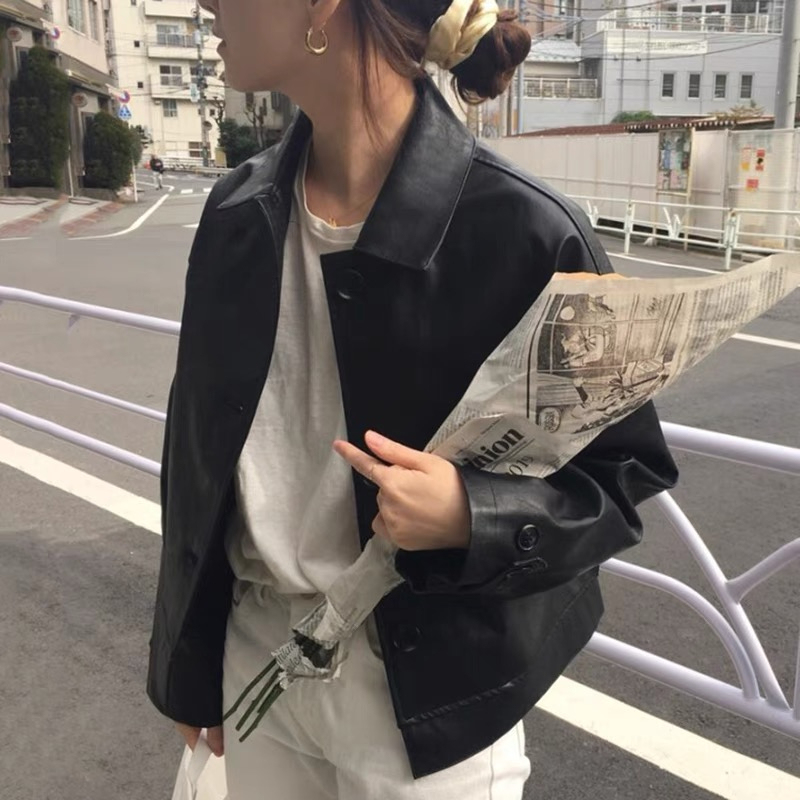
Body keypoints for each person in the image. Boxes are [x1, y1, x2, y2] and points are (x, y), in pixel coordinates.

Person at [147, 0, 679, 798]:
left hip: (428, 691)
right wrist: (186, 664)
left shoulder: (525, 229)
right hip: (256, 655)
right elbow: (195, 458)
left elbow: (621, 475)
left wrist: (475, 515)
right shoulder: (236, 214)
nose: (209, 4)